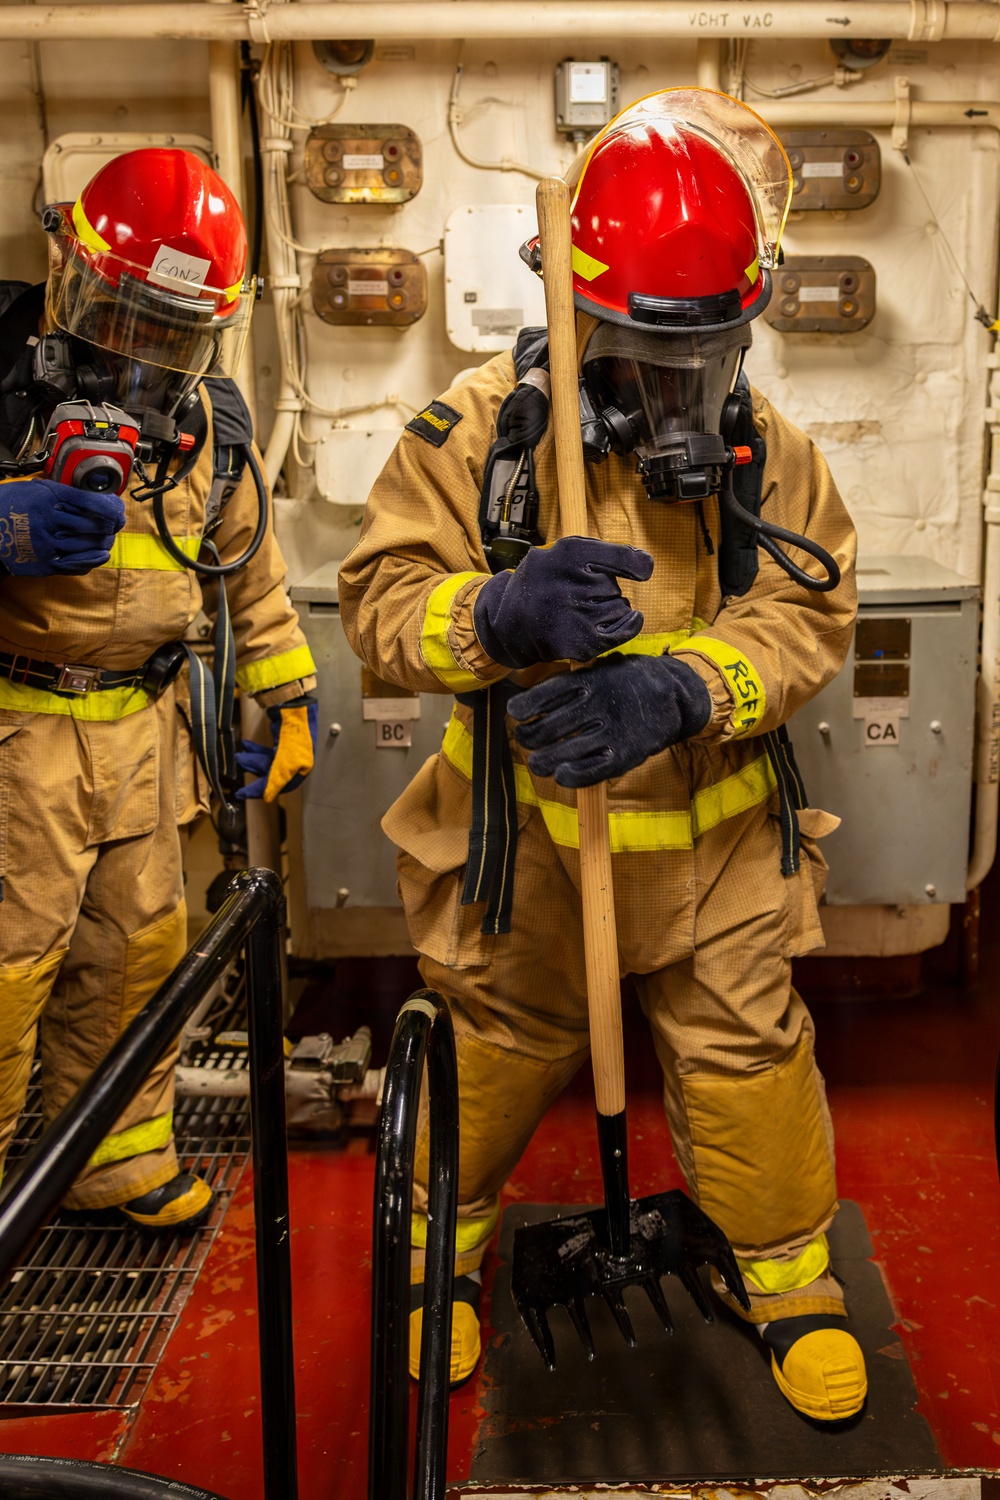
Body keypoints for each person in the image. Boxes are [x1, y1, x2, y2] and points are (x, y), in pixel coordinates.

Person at [339, 90, 864, 1421]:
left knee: (750, 1062)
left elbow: (811, 610)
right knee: (495, 1054)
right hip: (530, 858)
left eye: (707, 355)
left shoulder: (772, 458)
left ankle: (790, 1278)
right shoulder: (475, 440)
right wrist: (499, 616)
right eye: (639, 356)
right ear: (573, 316)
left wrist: (685, 691)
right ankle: (435, 1266)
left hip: (722, 852)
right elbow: (381, 611)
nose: (677, 394)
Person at [0, 148, 316, 1230]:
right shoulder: (1, 381)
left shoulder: (211, 431)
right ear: (64, 270)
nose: (135, 356)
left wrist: (289, 705)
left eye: (166, 335)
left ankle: (113, 1158)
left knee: (134, 963)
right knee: (3, 980)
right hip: (16, 739)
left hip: (146, 733)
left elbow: (251, 580)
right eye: (116, 315)